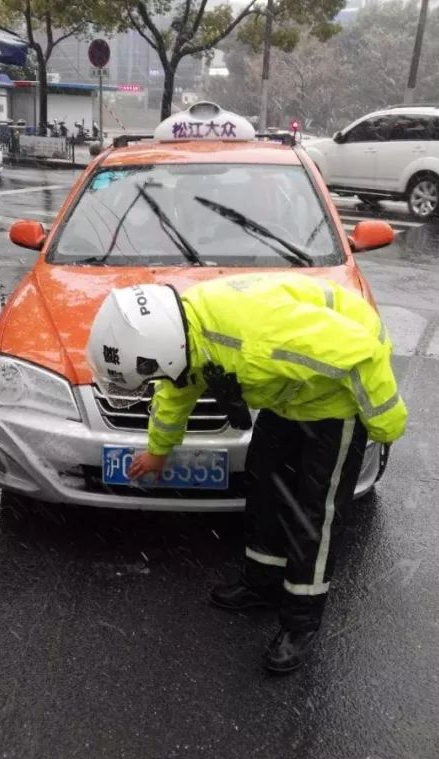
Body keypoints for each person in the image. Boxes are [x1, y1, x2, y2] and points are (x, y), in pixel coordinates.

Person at [85, 273, 407, 673]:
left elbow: (361, 357)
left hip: (333, 402)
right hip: (289, 397)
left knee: (315, 514)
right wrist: (158, 450)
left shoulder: (263, 340)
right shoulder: (187, 332)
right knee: (267, 490)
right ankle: (263, 585)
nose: (157, 381)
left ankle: (300, 623)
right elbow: (177, 385)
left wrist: (385, 426)